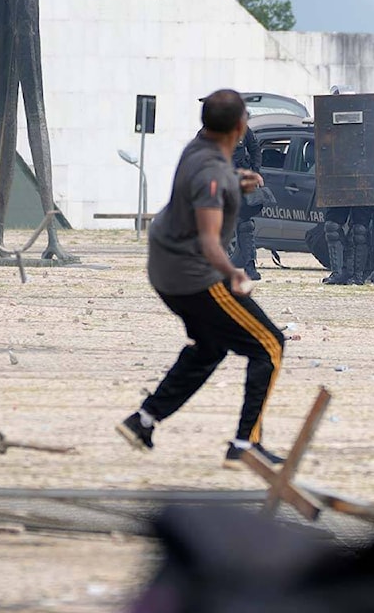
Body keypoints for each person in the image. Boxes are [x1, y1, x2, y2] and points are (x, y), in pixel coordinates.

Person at [117, 90, 286, 469]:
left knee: (209, 347)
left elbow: (209, 182)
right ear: (242, 127)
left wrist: (235, 182)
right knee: (270, 345)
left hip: (165, 266)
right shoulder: (212, 172)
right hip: (193, 272)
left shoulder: (199, 149)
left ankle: (143, 420)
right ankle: (245, 444)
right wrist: (234, 273)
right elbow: (209, 239)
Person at [230, 125, 262, 280]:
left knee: (245, 225)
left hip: (241, 182)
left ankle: (250, 267)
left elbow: (255, 149)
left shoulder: (242, 129)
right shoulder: (208, 130)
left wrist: (255, 172)